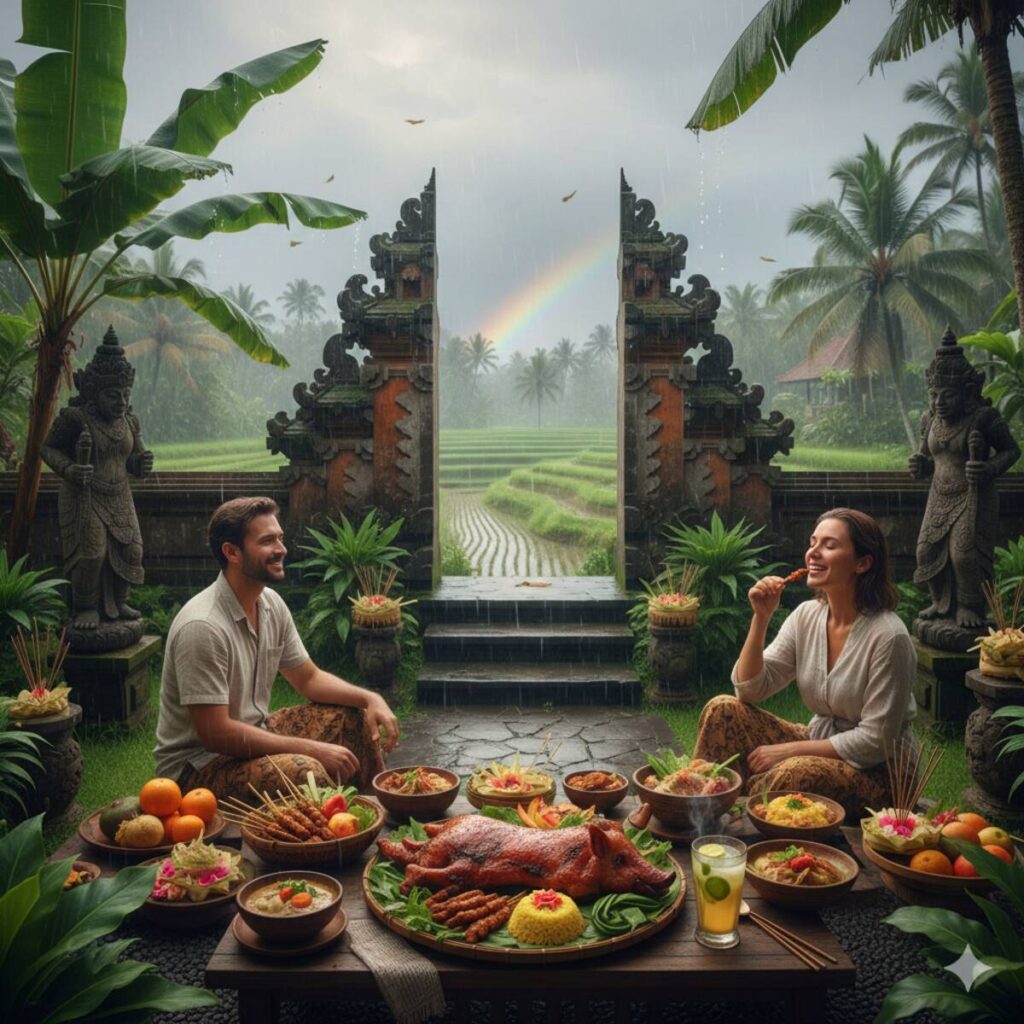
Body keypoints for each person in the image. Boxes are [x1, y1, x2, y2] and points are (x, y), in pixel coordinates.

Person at [154, 496, 399, 801]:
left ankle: (368, 815)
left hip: (254, 732)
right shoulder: (202, 626)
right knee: (306, 771)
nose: (281, 549)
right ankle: (330, 840)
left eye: (280, 538)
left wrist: (369, 697)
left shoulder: (270, 603)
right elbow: (216, 733)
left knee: (354, 718)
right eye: (267, 541)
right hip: (197, 770)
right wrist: (310, 748)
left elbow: (308, 679)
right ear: (232, 552)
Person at [693, 508, 916, 817]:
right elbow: (750, 690)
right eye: (813, 542)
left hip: (880, 774)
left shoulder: (889, 637)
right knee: (723, 710)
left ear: (862, 563)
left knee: (794, 773)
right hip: (820, 740)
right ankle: (698, 809)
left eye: (829, 545)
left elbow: (875, 740)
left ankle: (732, 814)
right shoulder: (806, 616)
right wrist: (761, 616)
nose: (813, 552)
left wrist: (789, 750)